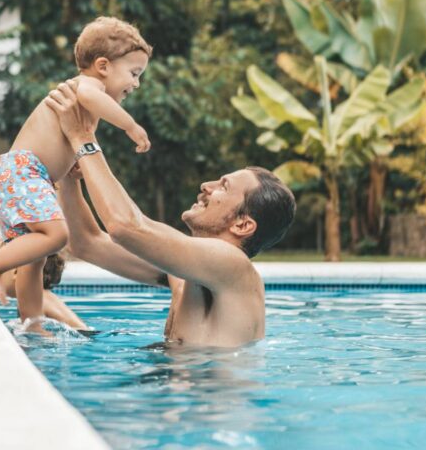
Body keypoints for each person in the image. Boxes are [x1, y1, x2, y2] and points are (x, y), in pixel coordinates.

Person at [44, 80, 296, 347]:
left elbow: (125, 227)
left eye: (223, 186)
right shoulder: (184, 273)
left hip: (205, 388)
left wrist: (82, 138)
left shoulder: (235, 267)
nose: (206, 186)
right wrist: (71, 173)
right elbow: (86, 243)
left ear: (243, 224)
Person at [0, 17, 154, 324]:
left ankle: (31, 323)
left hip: (22, 175)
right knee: (56, 236)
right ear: (103, 65)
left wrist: (75, 166)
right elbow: (90, 97)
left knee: (34, 259)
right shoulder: (86, 86)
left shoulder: (85, 105)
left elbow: (73, 142)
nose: (136, 83)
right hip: (25, 173)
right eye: (134, 73)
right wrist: (130, 126)